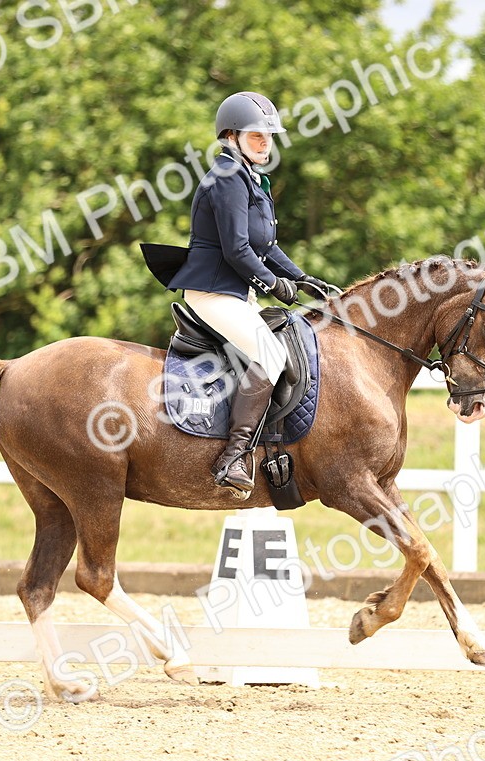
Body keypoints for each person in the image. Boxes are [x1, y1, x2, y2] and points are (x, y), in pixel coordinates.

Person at [167, 91, 335, 498]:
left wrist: (302, 278)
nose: (265, 143)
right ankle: (234, 456)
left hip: (236, 294)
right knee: (271, 355)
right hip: (213, 293)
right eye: (256, 135)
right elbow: (237, 250)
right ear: (231, 136)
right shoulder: (227, 177)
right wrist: (276, 286)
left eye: (269, 136)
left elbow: (267, 246)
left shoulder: (251, 178)